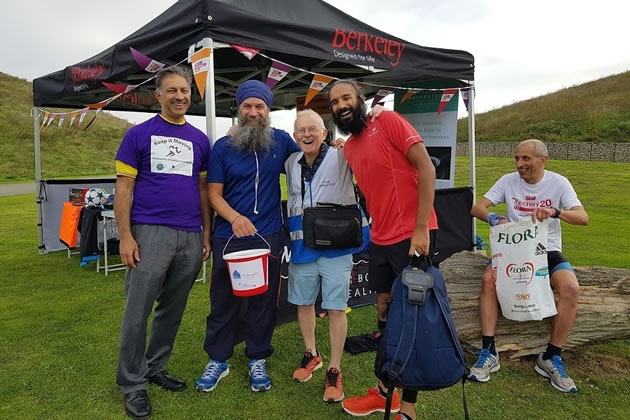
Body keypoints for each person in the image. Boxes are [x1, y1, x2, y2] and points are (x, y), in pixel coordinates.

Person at [328, 80, 438, 420]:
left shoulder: (387, 120)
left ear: (360, 99)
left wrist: (421, 228)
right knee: (386, 313)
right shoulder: (349, 147)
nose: (341, 105)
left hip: (411, 235)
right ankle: (384, 392)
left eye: (346, 97)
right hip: (381, 237)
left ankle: (408, 410)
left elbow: (427, 167)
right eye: (334, 102)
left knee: (412, 321)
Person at [114, 66, 211, 419]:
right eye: (172, 90)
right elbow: (123, 188)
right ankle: (132, 383)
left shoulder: (200, 140)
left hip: (190, 235)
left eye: (184, 90)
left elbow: (203, 189)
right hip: (149, 232)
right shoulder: (138, 135)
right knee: (137, 310)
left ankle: (154, 366)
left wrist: (206, 232)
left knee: (172, 308)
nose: (179, 96)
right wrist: (126, 236)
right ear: (158, 96)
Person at [196, 80, 300, 393]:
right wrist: (235, 218)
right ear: (239, 110)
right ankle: (218, 359)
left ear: (268, 110)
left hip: (267, 235)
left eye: (260, 106)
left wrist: (332, 145)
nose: (253, 112)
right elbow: (213, 194)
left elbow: (310, 160)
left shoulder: (281, 141)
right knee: (223, 300)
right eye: (247, 106)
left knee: (264, 302)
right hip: (229, 236)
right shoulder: (223, 147)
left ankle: (257, 357)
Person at [468, 139, 588, 393]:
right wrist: (494, 218)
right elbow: (477, 208)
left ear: (543, 160)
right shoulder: (508, 181)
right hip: (513, 248)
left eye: (525, 158)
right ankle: (488, 352)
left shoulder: (558, 183)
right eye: (517, 158)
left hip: (546, 249)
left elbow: (582, 217)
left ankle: (551, 357)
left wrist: (555, 212)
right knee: (488, 280)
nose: (519, 164)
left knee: (571, 288)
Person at [285, 109, 370, 403]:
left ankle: (334, 368)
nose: (307, 134)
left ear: (325, 133)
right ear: (295, 136)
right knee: (304, 303)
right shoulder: (290, 161)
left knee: (336, 308)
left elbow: (369, 155)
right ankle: (312, 353)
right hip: (302, 247)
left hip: (338, 246)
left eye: (313, 129)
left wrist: (351, 143)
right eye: (301, 130)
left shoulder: (342, 154)